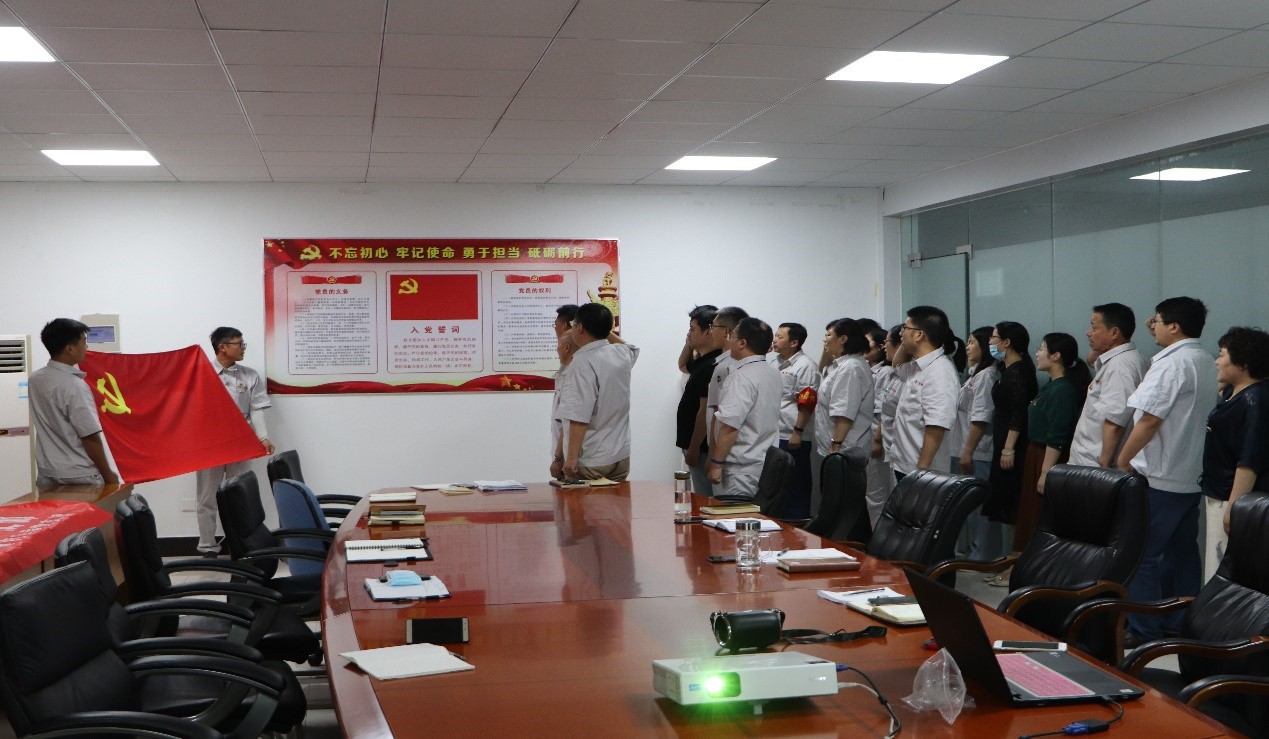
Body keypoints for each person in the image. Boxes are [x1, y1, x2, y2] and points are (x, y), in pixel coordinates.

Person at [1117, 297, 1217, 644]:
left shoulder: (1171, 364)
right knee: (1182, 554)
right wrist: (1159, 323)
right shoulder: (1203, 359)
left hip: (1158, 476)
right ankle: (1178, 623)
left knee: (1141, 555)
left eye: (1157, 321)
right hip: (1187, 476)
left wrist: (1123, 460)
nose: (1152, 326)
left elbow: (1149, 419)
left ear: (1174, 327)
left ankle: (1143, 630)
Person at [194, 327, 274, 557]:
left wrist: (263, 437)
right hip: (209, 444)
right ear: (223, 347)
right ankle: (208, 547)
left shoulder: (250, 376)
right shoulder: (201, 374)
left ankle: (242, 544)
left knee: (239, 495)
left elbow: (256, 409)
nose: (243, 348)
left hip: (240, 443)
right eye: (239, 344)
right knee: (206, 497)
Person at [1200, 326, 1269, 581]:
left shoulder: (1255, 401)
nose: (1216, 361)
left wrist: (1234, 508)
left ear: (1243, 363)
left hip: (1232, 498)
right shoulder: (1236, 391)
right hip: (1218, 493)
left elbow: (1249, 461)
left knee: (1220, 572)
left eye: (1222, 354)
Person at [1016, 333, 1091, 551]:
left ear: (1056, 356)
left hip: (1047, 458)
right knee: (1030, 513)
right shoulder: (1052, 385)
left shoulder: (1062, 390)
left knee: (1040, 515)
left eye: (1041, 349)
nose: (1037, 353)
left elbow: (1057, 434)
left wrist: (1045, 472)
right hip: (1035, 454)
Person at [29, 318, 120, 489]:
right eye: (83, 341)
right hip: (80, 476)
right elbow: (89, 436)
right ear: (69, 349)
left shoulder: (35, 380)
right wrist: (108, 474)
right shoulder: (74, 386)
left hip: (48, 473)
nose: (86, 347)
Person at [555, 303, 639, 481]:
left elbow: (578, 415)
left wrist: (570, 459)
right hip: (620, 456)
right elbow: (633, 348)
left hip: (591, 459)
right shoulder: (620, 353)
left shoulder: (581, 362)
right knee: (616, 500)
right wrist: (603, 328)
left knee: (587, 500)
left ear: (579, 328)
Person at [982, 321, 1038, 585]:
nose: (990, 343)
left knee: (1014, 506)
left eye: (994, 338)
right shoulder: (1006, 369)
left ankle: (1016, 567)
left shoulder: (1018, 372)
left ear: (1007, 343)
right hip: (1003, 442)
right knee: (1006, 504)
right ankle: (1009, 562)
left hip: (1012, 446)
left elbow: (1019, 412)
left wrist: (1008, 448)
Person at [707, 318, 781, 499]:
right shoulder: (773, 373)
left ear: (742, 343)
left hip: (739, 470)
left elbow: (730, 427)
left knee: (735, 515)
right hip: (763, 464)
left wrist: (716, 464)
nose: (729, 340)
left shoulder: (741, 377)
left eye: (732, 336)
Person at [1068, 303, 1147, 468]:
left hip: (1096, 466)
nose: (1088, 332)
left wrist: (1104, 465)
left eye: (1094, 327)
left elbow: (1115, 421)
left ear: (1114, 333)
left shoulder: (1120, 366)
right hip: (1091, 462)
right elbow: (1092, 359)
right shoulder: (1122, 359)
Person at [890, 306, 959, 480]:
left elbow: (936, 426)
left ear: (919, 334)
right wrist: (907, 341)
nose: (901, 333)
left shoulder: (940, 371)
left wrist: (921, 470)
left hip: (922, 471)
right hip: (905, 463)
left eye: (905, 328)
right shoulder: (917, 366)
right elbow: (896, 366)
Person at [952, 326, 999, 560]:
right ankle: (974, 552)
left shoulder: (987, 375)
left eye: (972, 342)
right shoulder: (975, 375)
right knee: (972, 507)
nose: (968, 347)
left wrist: (967, 451)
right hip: (970, 449)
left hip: (979, 450)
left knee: (980, 508)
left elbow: (981, 416)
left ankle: (982, 556)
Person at [770, 322, 819, 518]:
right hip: (774, 433)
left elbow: (807, 402)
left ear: (794, 343)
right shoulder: (774, 363)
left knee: (796, 485)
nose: (774, 340)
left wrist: (798, 431)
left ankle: (798, 524)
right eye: (775, 335)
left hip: (792, 435)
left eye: (780, 337)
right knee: (776, 485)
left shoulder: (805, 366)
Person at [674, 305, 720, 494]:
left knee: (705, 495)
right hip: (695, 445)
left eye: (692, 329)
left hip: (701, 448)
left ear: (708, 333)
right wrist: (689, 344)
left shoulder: (712, 365)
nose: (689, 333)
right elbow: (683, 365)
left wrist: (693, 448)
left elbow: (705, 411)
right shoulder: (703, 362)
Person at [865, 326, 898, 526]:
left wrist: (877, 439)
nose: (886, 347)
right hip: (875, 438)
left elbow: (883, 411)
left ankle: (881, 536)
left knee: (880, 495)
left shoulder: (886, 372)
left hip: (882, 440)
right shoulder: (870, 370)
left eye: (887, 342)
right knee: (876, 495)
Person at [705, 306, 749, 457]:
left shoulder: (727, 366)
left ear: (727, 332)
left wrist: (713, 455)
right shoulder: (734, 362)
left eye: (713, 326)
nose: (710, 332)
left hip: (725, 451)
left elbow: (719, 414)